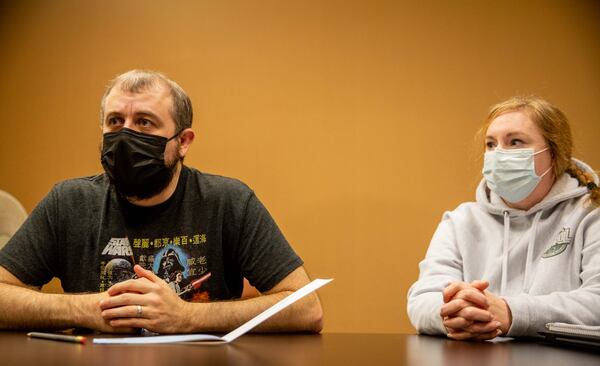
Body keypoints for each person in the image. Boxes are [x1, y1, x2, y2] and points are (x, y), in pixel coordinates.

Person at [0, 69, 323, 334]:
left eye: (144, 122)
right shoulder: (69, 203)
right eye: (115, 121)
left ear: (183, 141)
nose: (125, 136)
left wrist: (187, 316)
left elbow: (305, 308)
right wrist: (84, 309)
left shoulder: (228, 201)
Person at [407, 96, 600, 340]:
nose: (498, 154)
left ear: (553, 153)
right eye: (490, 144)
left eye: (515, 142)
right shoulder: (460, 221)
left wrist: (511, 312)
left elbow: (596, 301)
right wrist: (455, 314)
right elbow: (422, 299)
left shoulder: (590, 214)